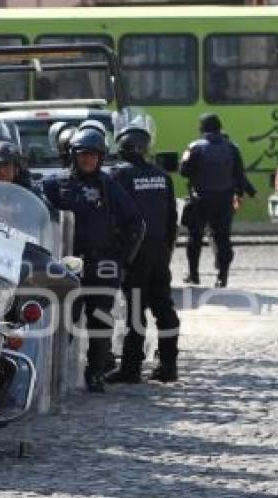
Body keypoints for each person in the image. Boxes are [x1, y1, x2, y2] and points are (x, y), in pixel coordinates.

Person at [43, 129, 144, 393]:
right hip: (65, 264)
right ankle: (53, 373)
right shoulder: (55, 185)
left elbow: (135, 223)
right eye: (84, 155)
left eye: (94, 156)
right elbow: (41, 220)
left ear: (101, 158)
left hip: (102, 263)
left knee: (100, 318)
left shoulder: (109, 185)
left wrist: (122, 260)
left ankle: (97, 370)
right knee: (63, 318)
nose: (89, 160)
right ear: (73, 156)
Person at [107, 113, 180, 384]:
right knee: (164, 307)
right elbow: (172, 218)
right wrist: (167, 250)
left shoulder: (119, 176)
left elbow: (114, 217)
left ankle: (131, 368)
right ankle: (169, 365)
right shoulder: (163, 176)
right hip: (160, 250)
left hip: (134, 251)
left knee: (135, 311)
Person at [180, 113, 256, 288]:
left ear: (202, 129)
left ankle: (194, 275)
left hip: (200, 199)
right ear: (219, 127)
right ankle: (222, 277)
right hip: (224, 200)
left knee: (195, 237)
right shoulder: (232, 147)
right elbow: (239, 175)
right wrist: (250, 192)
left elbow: (184, 171)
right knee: (222, 238)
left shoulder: (194, 147)